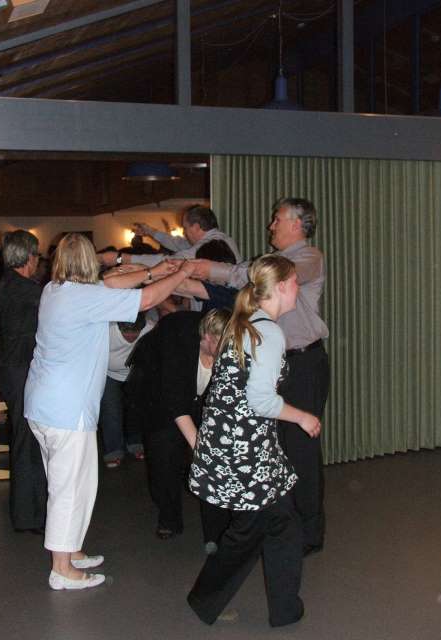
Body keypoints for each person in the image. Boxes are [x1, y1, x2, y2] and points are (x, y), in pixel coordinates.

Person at [24, 233, 196, 591]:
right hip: (66, 410)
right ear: (89, 261)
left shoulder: (55, 289)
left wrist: (155, 271)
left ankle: (71, 552)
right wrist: (181, 274)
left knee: (77, 484)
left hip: (46, 405)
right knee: (69, 489)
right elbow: (146, 300)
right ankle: (62, 570)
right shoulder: (84, 298)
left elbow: (111, 282)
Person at [190, 197, 329, 555]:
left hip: (303, 364)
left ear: (297, 224)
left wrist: (212, 269)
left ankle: (309, 533)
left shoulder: (309, 257)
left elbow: (262, 274)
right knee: (274, 447)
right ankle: (279, 526)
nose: (271, 226)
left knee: (300, 449)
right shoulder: (272, 266)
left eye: (277, 219)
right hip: (277, 364)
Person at [187, 254, 321, 627]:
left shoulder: (246, 323)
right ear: (281, 287)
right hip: (244, 450)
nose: (298, 288)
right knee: (252, 530)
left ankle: (283, 608)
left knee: (281, 524)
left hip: (240, 444)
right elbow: (261, 401)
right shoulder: (267, 333)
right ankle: (208, 599)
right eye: (295, 282)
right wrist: (303, 417)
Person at [127, 308, 231, 542]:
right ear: (207, 337)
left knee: (213, 449)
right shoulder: (178, 342)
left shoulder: (228, 348)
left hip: (197, 398)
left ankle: (216, 527)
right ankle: (169, 517)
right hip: (158, 396)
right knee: (164, 452)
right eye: (222, 344)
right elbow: (175, 402)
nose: (227, 351)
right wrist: (201, 449)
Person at [0, 230, 47, 534]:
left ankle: (29, 513)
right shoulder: (25, 288)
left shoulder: (10, 283)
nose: (38, 260)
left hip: (13, 368)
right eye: (37, 254)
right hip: (19, 370)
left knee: (26, 439)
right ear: (29, 256)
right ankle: (29, 516)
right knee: (28, 442)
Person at [97, 205, 242, 268]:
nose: (184, 233)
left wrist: (122, 258)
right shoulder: (218, 239)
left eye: (185, 228)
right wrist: (150, 231)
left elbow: (168, 261)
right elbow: (178, 243)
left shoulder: (212, 244)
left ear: (197, 227)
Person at [99, 314, 156, 468]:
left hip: (136, 373)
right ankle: (113, 451)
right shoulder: (107, 330)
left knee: (136, 409)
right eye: (126, 332)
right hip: (108, 373)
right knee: (111, 411)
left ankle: (135, 443)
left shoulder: (150, 328)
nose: (131, 336)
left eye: (135, 332)